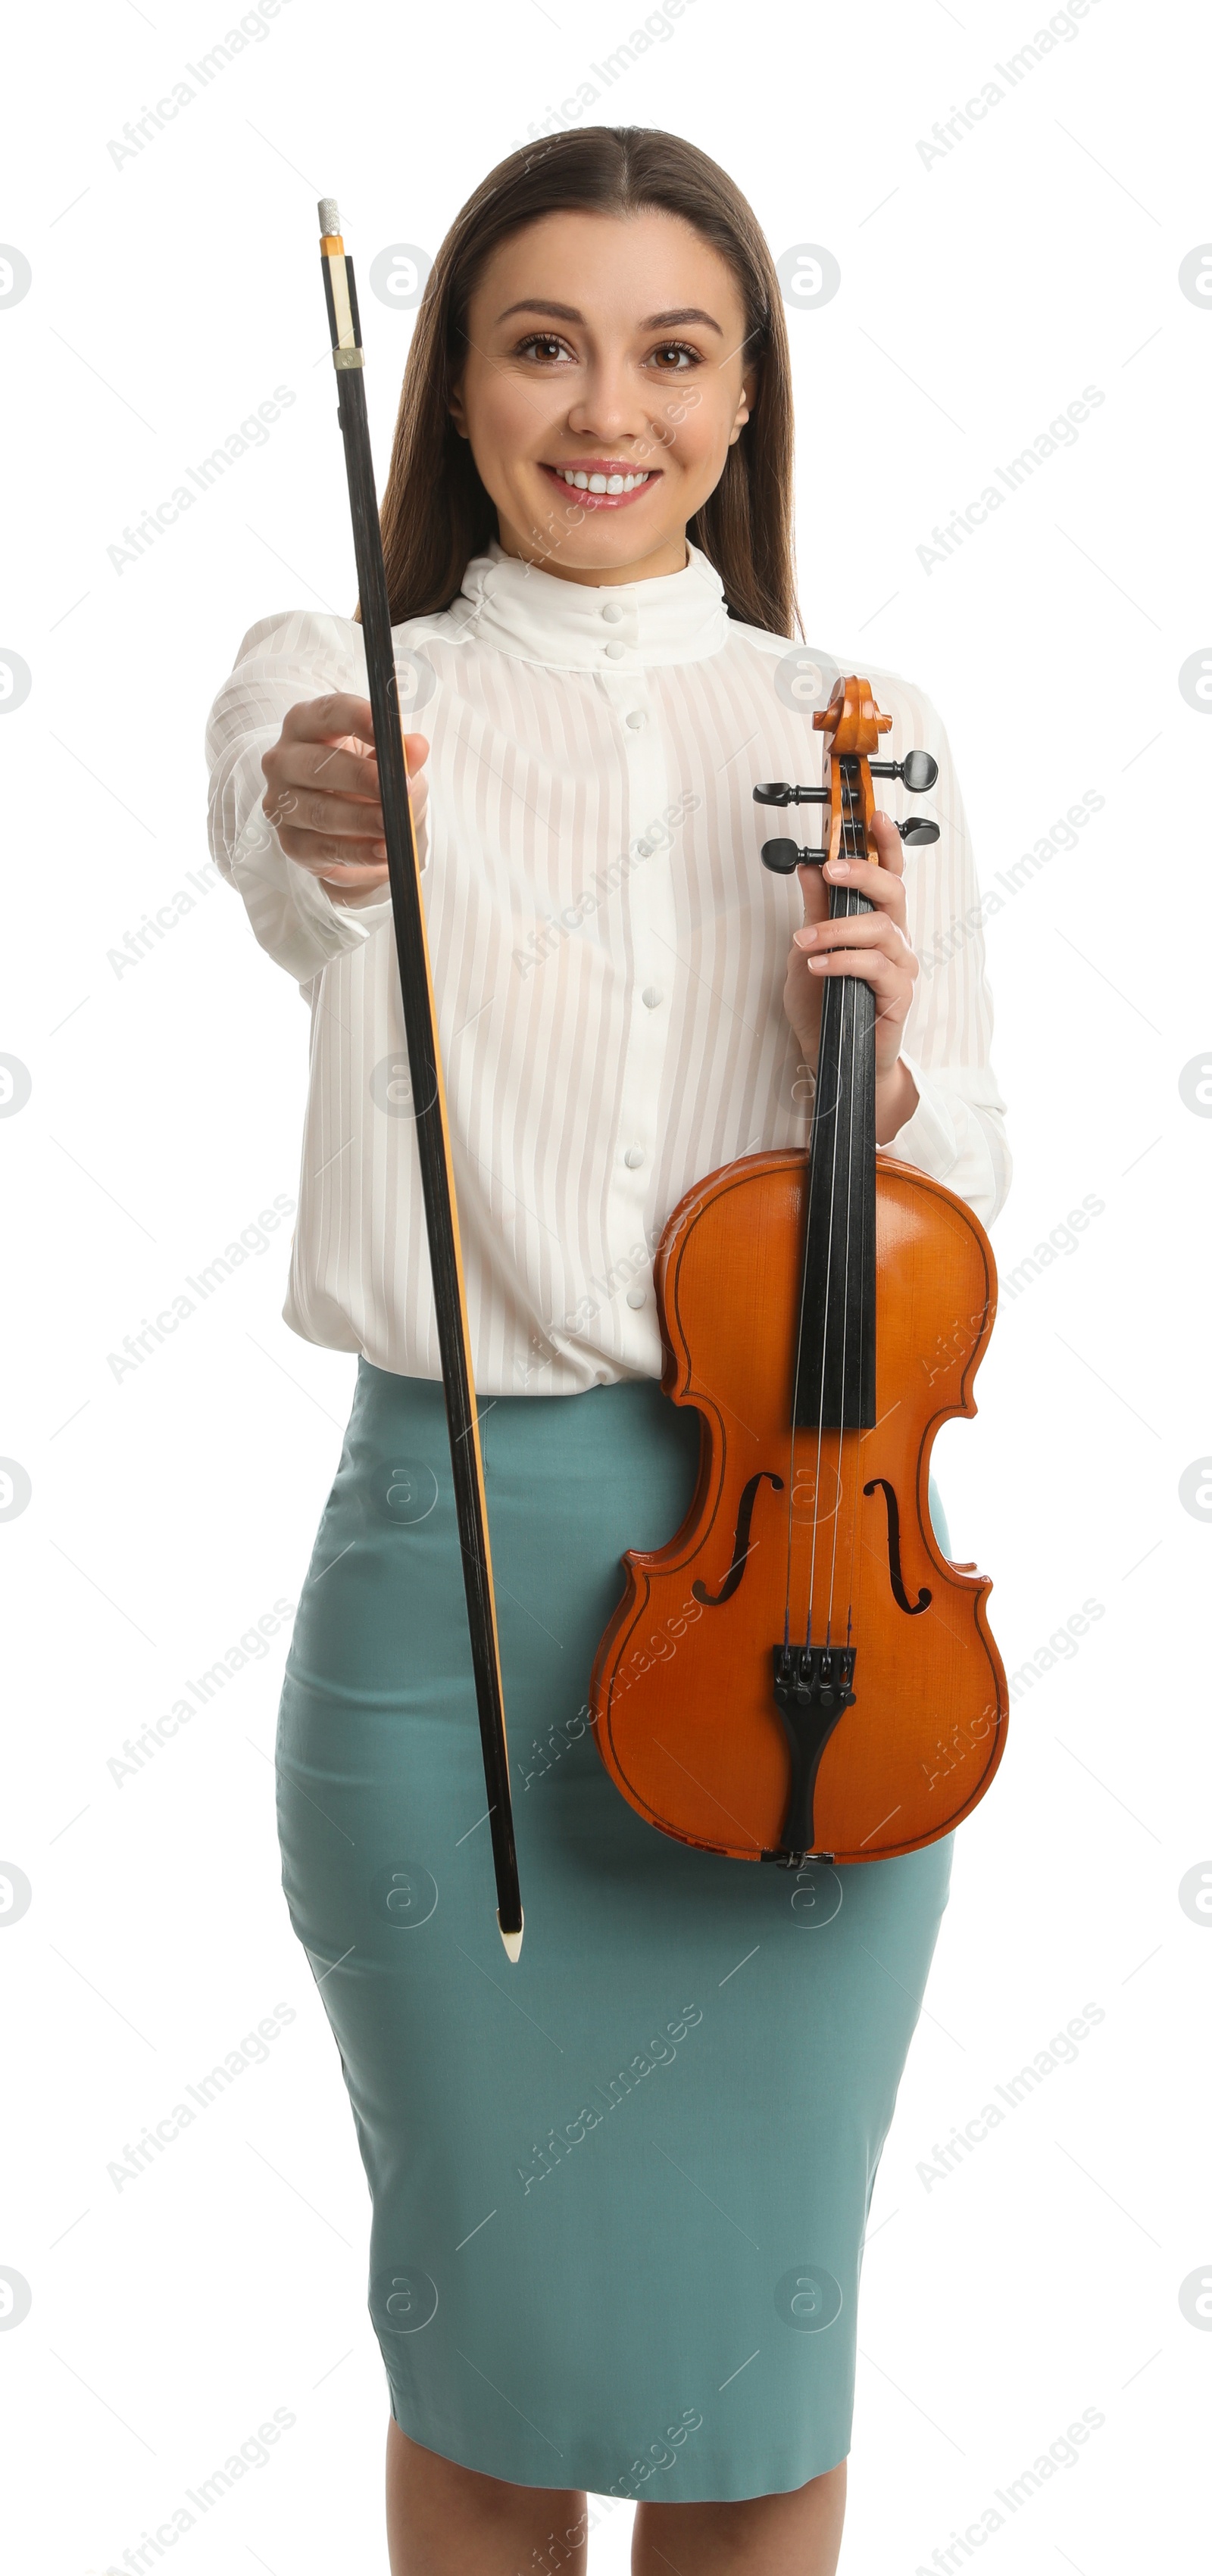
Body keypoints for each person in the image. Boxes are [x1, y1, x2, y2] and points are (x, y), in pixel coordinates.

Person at [205, 125, 1009, 2576]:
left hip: (815, 1606)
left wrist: (871, 1060)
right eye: (543, 341)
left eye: (676, 351)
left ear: (748, 399)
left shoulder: (867, 726)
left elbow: (967, 1200)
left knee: (759, 2383)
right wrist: (325, 819)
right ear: (451, 382)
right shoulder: (346, 691)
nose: (607, 407)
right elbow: (294, 841)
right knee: (488, 2332)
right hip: (449, 1575)